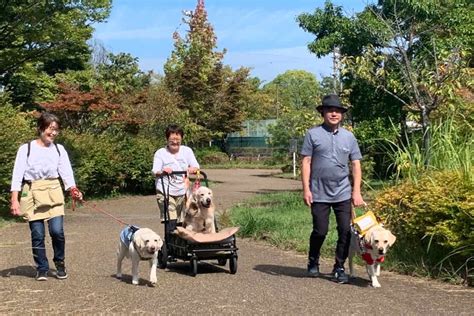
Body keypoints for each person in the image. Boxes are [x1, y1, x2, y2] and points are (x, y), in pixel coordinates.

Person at [10, 112, 83, 281]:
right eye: (51, 129)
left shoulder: (59, 149)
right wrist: (15, 200)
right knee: (37, 233)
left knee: (57, 231)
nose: (54, 133)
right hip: (32, 191)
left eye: (56, 130)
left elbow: (66, 172)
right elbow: (17, 175)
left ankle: (59, 263)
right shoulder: (26, 149)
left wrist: (73, 189)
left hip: (53, 190)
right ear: (41, 128)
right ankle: (41, 268)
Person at [300, 94, 365, 283]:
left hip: (343, 192)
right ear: (323, 113)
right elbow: (306, 162)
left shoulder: (349, 137)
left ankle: (339, 267)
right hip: (319, 192)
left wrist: (356, 191)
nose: (334, 114)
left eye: (337, 111)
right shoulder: (313, 134)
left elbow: (356, 165)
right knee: (320, 230)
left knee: (345, 230)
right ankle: (313, 261)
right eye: (330, 110)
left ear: (342, 115)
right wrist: (306, 189)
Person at [152, 124, 199, 230]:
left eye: (178, 139)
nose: (175, 142)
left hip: (182, 190)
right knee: (171, 217)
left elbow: (196, 166)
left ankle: (180, 241)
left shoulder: (187, 151)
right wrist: (163, 171)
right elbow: (155, 170)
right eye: (172, 139)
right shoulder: (161, 153)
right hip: (166, 190)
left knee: (182, 219)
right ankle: (170, 241)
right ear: (167, 139)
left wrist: (193, 169)